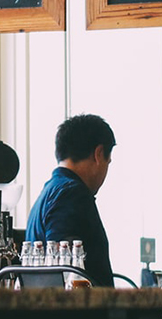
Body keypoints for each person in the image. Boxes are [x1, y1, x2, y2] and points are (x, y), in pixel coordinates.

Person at [25, 113, 116, 287]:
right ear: (98, 154)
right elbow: (68, 271)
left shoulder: (48, 191)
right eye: (108, 162)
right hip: (80, 312)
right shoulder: (72, 194)